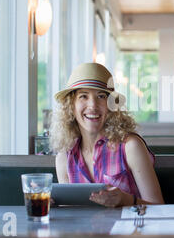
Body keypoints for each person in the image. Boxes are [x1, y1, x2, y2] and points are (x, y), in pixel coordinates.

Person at [50, 62, 164, 207]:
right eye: (83, 96)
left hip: (130, 229)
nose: (92, 105)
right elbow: (69, 212)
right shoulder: (64, 158)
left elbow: (159, 206)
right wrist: (54, 207)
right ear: (71, 105)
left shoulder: (130, 147)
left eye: (101, 96)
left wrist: (125, 200)